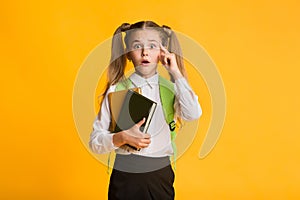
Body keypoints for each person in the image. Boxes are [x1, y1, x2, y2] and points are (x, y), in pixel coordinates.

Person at [89, 21, 202, 200]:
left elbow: (193, 113)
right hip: (125, 174)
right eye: (137, 46)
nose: (145, 52)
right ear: (127, 54)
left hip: (160, 174)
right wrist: (121, 137)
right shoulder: (116, 90)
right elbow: (95, 142)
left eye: (152, 45)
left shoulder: (172, 89)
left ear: (162, 51)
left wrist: (176, 72)